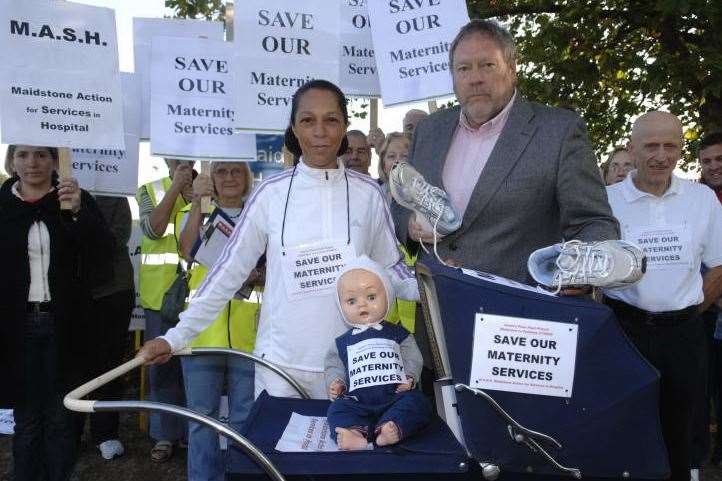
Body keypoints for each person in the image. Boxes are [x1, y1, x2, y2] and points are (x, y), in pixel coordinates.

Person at [139, 80, 418, 401]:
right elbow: (226, 274)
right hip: (280, 371)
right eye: (307, 120)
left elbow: (392, 270)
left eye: (331, 120)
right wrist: (175, 338)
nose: (320, 131)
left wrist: (440, 283)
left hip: (352, 369)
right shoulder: (269, 194)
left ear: (344, 127)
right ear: (294, 130)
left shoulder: (367, 193)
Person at [391, 19, 619, 283]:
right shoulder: (429, 130)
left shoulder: (558, 132)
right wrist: (410, 225)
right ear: (453, 77)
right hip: (437, 303)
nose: (475, 79)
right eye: (463, 68)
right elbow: (399, 204)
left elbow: (594, 222)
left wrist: (576, 273)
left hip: (520, 311)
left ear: (512, 70)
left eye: (487, 65)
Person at [603, 111, 722, 481]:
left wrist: (685, 311)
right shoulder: (605, 200)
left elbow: (718, 267)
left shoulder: (701, 199)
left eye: (670, 146)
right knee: (624, 425)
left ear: (681, 149)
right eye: (651, 145)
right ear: (631, 148)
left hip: (684, 334)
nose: (661, 155)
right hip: (622, 329)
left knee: (682, 428)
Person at [0, 145, 113, 481]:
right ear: (11, 161)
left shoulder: (74, 199)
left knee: (61, 414)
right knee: (27, 415)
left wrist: (79, 214)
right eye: (23, 155)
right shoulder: (2, 205)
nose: (32, 163)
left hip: (65, 324)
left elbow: (104, 255)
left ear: (55, 160)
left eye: (41, 155)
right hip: (15, 326)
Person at [174, 161, 260, 481]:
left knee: (245, 417)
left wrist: (257, 274)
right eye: (221, 172)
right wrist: (198, 201)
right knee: (201, 419)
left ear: (247, 178)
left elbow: (273, 268)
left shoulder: (258, 217)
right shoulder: (197, 211)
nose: (229, 178)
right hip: (201, 334)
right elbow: (187, 250)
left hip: (247, 333)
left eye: (236, 172)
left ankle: (240, 475)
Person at [325, 257, 430, 450]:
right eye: (351, 300)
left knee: (418, 403)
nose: (362, 305)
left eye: (371, 297)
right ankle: (355, 434)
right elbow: (334, 365)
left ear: (388, 296)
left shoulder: (399, 334)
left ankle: (391, 429)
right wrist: (336, 382)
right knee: (336, 410)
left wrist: (409, 376)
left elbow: (412, 358)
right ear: (340, 305)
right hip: (357, 403)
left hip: (395, 398)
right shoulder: (341, 342)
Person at [136, 158, 194, 462]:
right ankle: (164, 435)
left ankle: (192, 434)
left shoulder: (210, 187)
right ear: (165, 157)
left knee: (197, 370)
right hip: (160, 299)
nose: (182, 159)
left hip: (197, 300)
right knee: (162, 370)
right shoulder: (149, 190)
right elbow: (153, 230)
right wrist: (176, 187)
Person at [86, 195, 135, 460]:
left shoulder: (114, 194)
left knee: (109, 366)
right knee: (74, 364)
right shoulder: (54, 190)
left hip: (113, 290)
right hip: (73, 292)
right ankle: (69, 430)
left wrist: (78, 233)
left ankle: (105, 432)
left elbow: (118, 237)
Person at [695, 132, 722, 467]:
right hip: (707, 309)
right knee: (710, 384)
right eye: (707, 161)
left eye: (719, 159)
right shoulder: (697, 199)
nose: (714, 166)